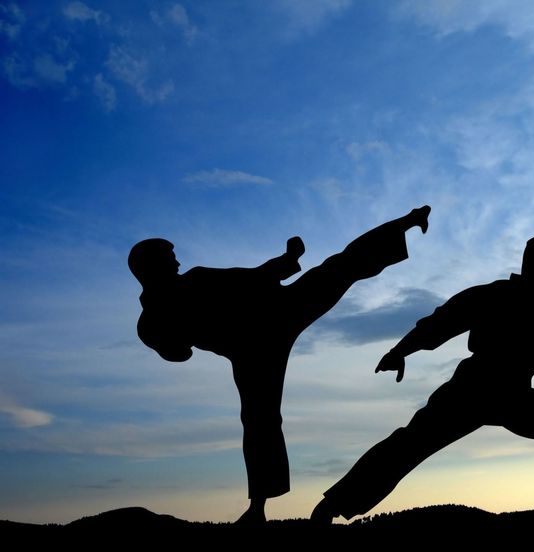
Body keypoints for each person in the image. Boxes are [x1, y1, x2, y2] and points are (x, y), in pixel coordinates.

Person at [128, 205, 431, 526]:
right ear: (150, 267)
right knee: (259, 419)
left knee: (340, 268)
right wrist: (287, 262)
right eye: (169, 257)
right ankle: (257, 508)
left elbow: (251, 278)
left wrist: (289, 261)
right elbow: (178, 351)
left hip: (279, 312)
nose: (177, 261)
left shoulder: (190, 284)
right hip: (255, 346)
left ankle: (408, 221)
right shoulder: (154, 318)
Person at [312, 236, 534, 522]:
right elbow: (440, 323)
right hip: (474, 388)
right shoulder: (500, 296)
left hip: (511, 393)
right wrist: (401, 350)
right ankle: (332, 506)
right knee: (410, 443)